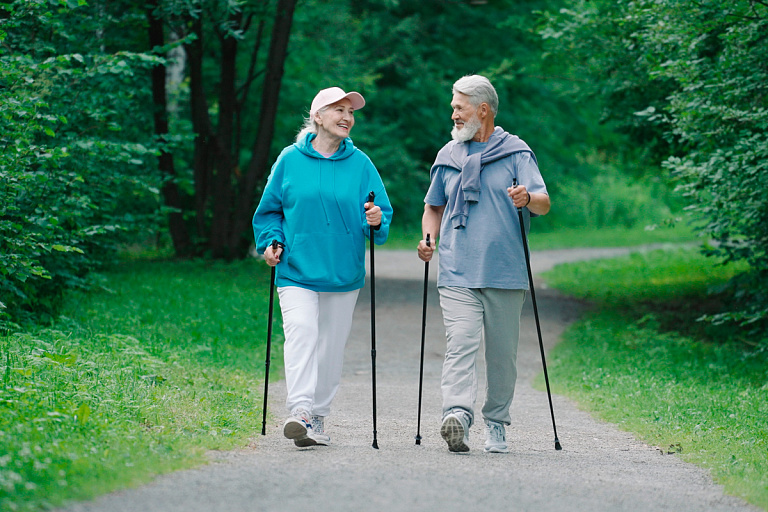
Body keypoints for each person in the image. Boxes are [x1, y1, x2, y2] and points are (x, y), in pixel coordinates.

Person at [252, 87, 393, 447]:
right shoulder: (289, 159)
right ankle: (299, 411)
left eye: (351, 112)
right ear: (317, 116)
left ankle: (317, 416)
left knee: (330, 346)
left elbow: (380, 216)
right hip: (296, 268)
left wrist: (375, 219)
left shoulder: (361, 163)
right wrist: (271, 241)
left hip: (342, 272)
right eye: (338, 110)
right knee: (301, 331)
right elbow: (270, 211)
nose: (347, 117)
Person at [417, 75, 550, 453]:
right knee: (459, 343)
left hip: (505, 271)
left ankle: (496, 422)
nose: (454, 114)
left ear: (483, 110)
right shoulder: (448, 156)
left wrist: (527, 198)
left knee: (501, 355)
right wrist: (429, 239)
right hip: (457, 269)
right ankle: (457, 415)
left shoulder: (516, 153)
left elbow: (544, 202)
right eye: (453, 108)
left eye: (459, 107)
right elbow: (433, 207)